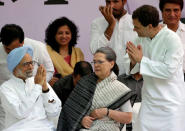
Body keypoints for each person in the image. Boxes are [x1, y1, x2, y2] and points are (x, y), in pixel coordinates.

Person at [124, 5, 185, 131]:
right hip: (149, 102)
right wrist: (132, 61)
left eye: (137, 27)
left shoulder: (172, 39)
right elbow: (129, 66)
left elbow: (168, 71)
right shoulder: (140, 38)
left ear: (150, 26)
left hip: (170, 104)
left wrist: (141, 60)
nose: (134, 30)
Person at [57, 47, 135, 131]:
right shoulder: (85, 82)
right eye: (94, 62)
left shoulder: (120, 88)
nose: (96, 65)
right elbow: (70, 110)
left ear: (111, 64)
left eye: (100, 62)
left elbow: (128, 117)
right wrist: (81, 120)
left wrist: (107, 112)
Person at [0, 24, 54, 130]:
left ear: (23, 42)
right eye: (8, 50)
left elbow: (49, 69)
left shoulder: (38, 47)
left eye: (17, 49)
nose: (13, 54)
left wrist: (37, 85)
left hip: (36, 102)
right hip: (8, 100)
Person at [90, 0, 137, 75]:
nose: (111, 6)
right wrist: (111, 24)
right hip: (106, 77)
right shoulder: (97, 23)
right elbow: (95, 50)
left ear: (124, 2)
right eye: (108, 2)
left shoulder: (135, 22)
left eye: (115, 2)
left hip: (132, 78)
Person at [45, 17, 84, 86]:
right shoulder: (46, 52)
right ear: (54, 35)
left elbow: (83, 75)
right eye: (60, 33)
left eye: (67, 33)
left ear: (72, 35)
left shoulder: (78, 52)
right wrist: (47, 82)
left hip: (75, 91)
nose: (64, 36)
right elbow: (40, 75)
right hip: (54, 91)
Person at [159, 0, 185, 80]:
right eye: (168, 10)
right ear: (162, 12)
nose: (172, 14)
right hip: (160, 82)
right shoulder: (152, 33)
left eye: (176, 10)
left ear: (181, 11)